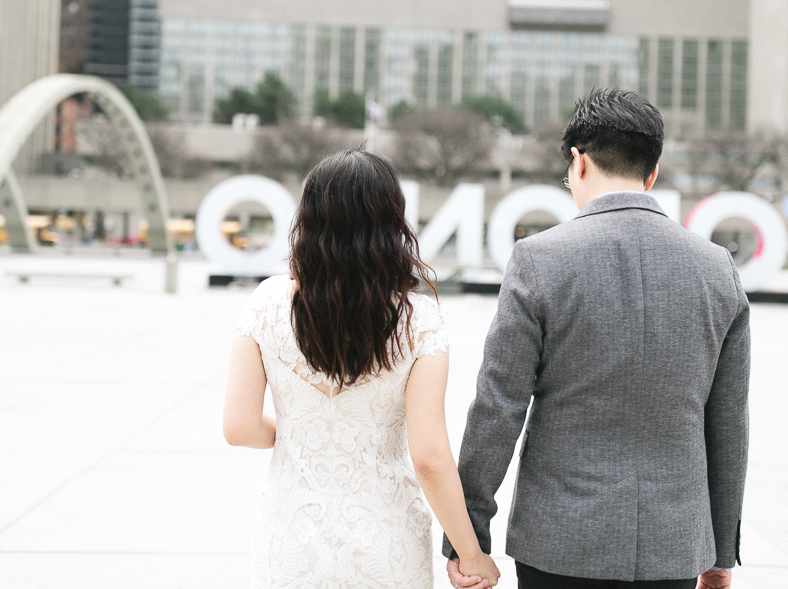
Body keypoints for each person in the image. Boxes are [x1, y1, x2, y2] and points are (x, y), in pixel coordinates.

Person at [445, 88, 750, 589]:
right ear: (651, 173)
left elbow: (498, 407)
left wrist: (467, 537)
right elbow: (728, 423)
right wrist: (720, 554)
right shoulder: (718, 269)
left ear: (578, 162)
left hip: (559, 542)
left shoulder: (538, 260)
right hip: (672, 545)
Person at [223, 150, 500, 589]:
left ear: (307, 219)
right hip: (385, 545)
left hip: (292, 542)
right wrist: (471, 555)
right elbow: (428, 456)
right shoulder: (419, 319)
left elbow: (238, 428)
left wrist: (299, 432)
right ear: (392, 223)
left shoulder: (266, 304)